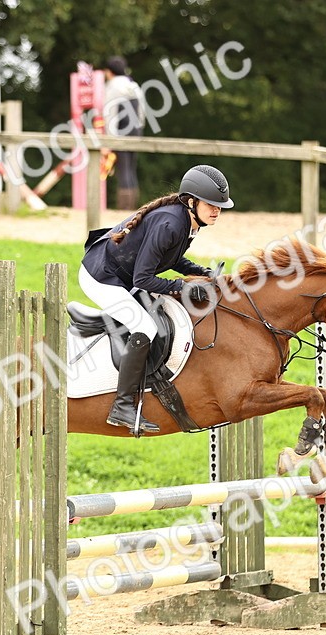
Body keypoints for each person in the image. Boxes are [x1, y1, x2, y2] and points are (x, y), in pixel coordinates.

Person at [80, 164, 234, 434]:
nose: (216, 210)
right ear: (191, 201)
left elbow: (170, 258)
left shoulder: (187, 221)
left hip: (119, 274)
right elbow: (143, 280)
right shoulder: (170, 223)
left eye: (219, 205)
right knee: (145, 327)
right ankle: (122, 406)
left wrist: (199, 271)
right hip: (100, 277)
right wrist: (183, 288)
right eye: (210, 204)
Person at [102, 57, 146, 210]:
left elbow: (110, 113)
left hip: (120, 131)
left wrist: (109, 138)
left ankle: (124, 209)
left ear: (109, 72)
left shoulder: (113, 86)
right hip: (135, 131)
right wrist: (139, 130)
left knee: (123, 170)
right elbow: (142, 112)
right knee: (131, 169)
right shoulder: (133, 85)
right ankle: (132, 206)